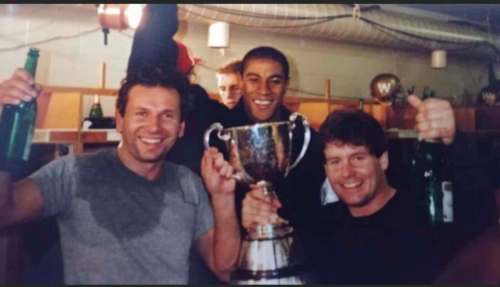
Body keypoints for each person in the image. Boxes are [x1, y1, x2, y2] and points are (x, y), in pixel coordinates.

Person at [0, 66, 240, 284]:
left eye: (167, 115)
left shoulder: (188, 182)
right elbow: (5, 210)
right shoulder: (74, 172)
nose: (154, 127)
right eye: (141, 113)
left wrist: (223, 196)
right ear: (119, 120)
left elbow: (225, 268)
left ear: (181, 128)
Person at [239, 94, 498, 283]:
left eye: (358, 158)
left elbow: (483, 210)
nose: (347, 172)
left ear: (383, 160)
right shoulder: (321, 224)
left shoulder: (422, 213)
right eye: (335, 161)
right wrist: (259, 220)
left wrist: (454, 140)